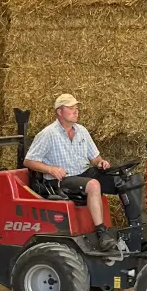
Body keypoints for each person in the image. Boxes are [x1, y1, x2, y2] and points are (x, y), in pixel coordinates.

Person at [24, 94, 122, 252]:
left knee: (124, 179)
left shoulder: (81, 131)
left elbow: (95, 157)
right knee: (93, 185)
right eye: (71, 108)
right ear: (59, 112)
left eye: (76, 108)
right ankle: (102, 234)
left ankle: (138, 229)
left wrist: (100, 163)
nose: (76, 111)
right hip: (61, 179)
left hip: (83, 172)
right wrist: (51, 169)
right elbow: (29, 161)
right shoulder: (48, 134)